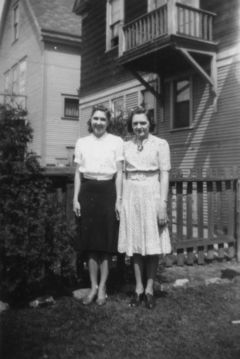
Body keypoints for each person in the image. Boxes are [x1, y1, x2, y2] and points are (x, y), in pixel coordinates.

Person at [118, 106, 171, 309]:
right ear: (131, 126)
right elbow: (122, 174)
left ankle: (149, 288)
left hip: (152, 194)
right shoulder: (125, 146)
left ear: (150, 124)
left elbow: (164, 174)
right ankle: (138, 288)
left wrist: (162, 205)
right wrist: (122, 200)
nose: (139, 127)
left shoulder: (160, 144)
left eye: (143, 123)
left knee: (152, 243)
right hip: (132, 195)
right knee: (136, 243)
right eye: (135, 123)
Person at [73, 105, 123, 306]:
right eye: (95, 119)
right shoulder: (82, 142)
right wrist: (75, 198)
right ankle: (92, 287)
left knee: (106, 245)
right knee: (90, 245)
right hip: (88, 192)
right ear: (90, 121)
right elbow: (77, 173)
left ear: (107, 122)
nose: (99, 122)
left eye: (102, 119)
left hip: (108, 192)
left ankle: (103, 287)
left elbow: (119, 172)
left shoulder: (116, 142)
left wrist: (118, 199)